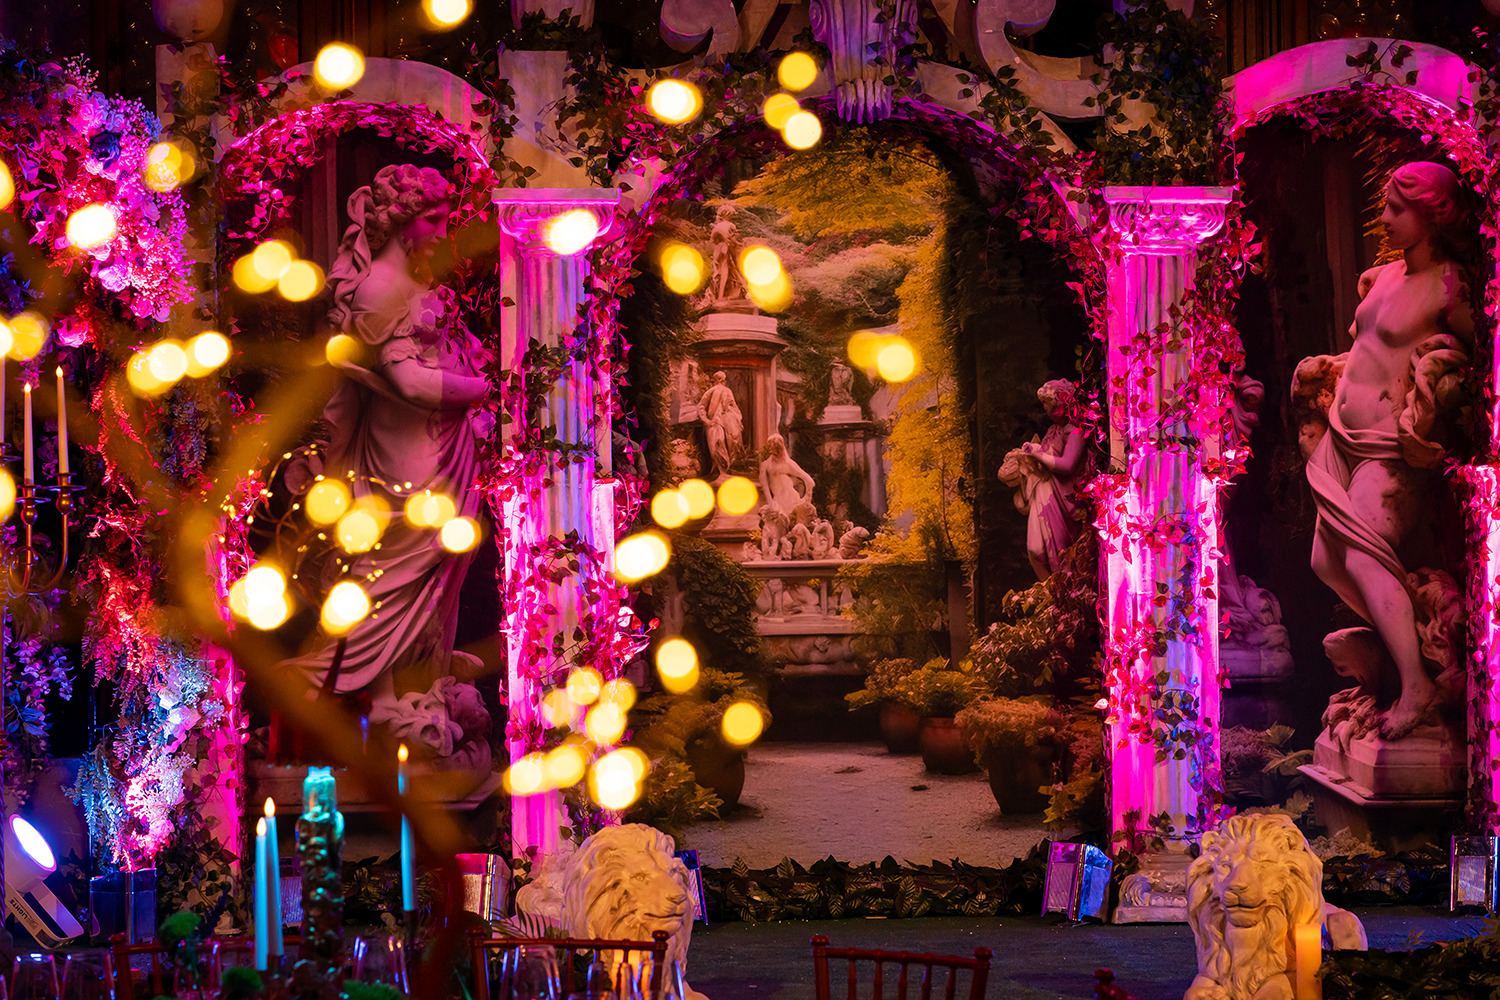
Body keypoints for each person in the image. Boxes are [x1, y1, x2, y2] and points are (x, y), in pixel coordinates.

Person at [284, 163, 491, 760]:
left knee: (430, 569)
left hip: (435, 446)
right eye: (435, 220)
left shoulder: (407, 279)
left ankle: (410, 686)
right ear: (402, 222)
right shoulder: (379, 288)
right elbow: (409, 383)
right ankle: (340, 681)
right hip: (408, 456)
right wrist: (488, 387)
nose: (443, 231)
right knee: (393, 573)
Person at [1302, 160, 1473, 740]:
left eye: (1399, 208)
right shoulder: (1385, 276)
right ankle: (1408, 642)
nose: (1386, 216)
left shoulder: (1450, 285)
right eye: (1387, 205)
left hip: (1389, 449)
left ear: (1433, 215)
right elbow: (1367, 350)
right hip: (1342, 439)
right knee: (1325, 561)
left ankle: (1416, 685)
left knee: (1362, 558)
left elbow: (1481, 353)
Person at [998, 379, 1089, 581]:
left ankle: (1060, 588)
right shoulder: (1053, 431)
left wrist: (1038, 454)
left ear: (1062, 403)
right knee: (1035, 551)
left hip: (1061, 498)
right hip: (1044, 493)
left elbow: (1067, 465)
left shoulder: (1075, 431)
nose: (1046, 410)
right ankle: (1050, 590)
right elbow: (1042, 463)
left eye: (1048, 404)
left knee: (1056, 553)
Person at [698, 370, 744, 478]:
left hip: (727, 422)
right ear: (716, 380)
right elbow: (701, 407)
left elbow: (734, 407)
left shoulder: (726, 391)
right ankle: (719, 472)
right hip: (715, 423)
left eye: (723, 380)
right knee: (718, 445)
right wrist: (707, 420)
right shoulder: (712, 391)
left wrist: (736, 419)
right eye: (720, 379)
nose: (722, 382)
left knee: (729, 444)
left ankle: (725, 472)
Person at [758, 433, 815, 516]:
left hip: (792, 499)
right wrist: (770, 503)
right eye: (773, 449)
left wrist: (807, 499)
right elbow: (765, 486)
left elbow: (810, 481)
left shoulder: (788, 464)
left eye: (778, 450)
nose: (776, 453)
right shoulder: (765, 465)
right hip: (778, 501)